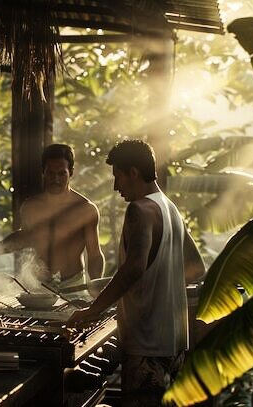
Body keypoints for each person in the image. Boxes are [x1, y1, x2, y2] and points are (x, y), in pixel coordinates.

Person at [66, 140, 205, 406]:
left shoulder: (139, 210)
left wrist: (92, 310)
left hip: (146, 345)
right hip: (175, 344)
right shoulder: (170, 208)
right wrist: (158, 284)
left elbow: (134, 269)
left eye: (117, 176)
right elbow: (196, 267)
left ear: (133, 172)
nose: (116, 186)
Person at [0, 143, 105, 288]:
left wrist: (96, 290)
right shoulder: (30, 207)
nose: (56, 179)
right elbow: (24, 237)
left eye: (62, 174)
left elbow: (94, 255)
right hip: (39, 286)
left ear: (71, 172)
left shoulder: (86, 209)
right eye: (50, 173)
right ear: (43, 172)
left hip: (74, 286)